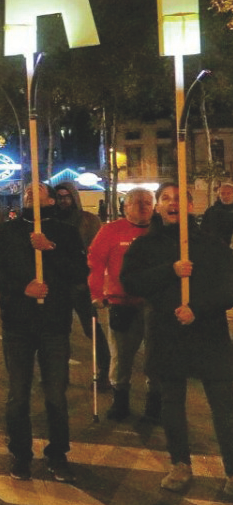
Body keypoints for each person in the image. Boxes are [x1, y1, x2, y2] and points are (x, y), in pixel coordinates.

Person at [121, 183, 233, 495]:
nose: (172, 204)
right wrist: (170, 270)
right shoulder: (144, 247)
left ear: (191, 207)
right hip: (166, 333)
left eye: (179, 199)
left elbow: (228, 287)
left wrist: (198, 308)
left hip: (209, 335)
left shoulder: (212, 245)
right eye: (165, 198)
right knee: (172, 402)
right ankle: (180, 463)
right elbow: (130, 282)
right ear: (157, 207)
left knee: (224, 405)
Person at [0, 183, 87, 483]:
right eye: (27, 190)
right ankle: (20, 454)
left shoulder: (65, 232)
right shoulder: (8, 231)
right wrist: (23, 287)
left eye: (38, 189)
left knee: (55, 394)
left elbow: (80, 272)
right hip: (17, 325)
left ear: (51, 199)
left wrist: (50, 250)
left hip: (54, 325)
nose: (30, 192)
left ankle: (57, 454)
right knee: (18, 395)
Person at [88, 188, 156, 422]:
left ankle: (154, 402)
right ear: (125, 207)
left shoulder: (159, 231)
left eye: (147, 202)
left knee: (155, 355)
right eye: (137, 202)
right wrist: (97, 293)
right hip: (120, 302)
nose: (143, 206)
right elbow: (95, 263)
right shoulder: (111, 231)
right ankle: (121, 401)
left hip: (153, 304)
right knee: (121, 356)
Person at [54, 181, 110, 389]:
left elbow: (98, 253)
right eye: (59, 197)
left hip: (83, 284)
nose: (63, 201)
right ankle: (60, 373)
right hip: (59, 285)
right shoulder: (50, 221)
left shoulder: (88, 221)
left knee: (93, 329)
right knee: (59, 332)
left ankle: (105, 370)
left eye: (66, 196)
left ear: (74, 197)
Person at [202, 182, 233, 246]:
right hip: (214, 246)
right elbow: (203, 229)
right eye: (222, 193)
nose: (225, 196)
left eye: (229, 193)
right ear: (219, 195)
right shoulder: (211, 211)